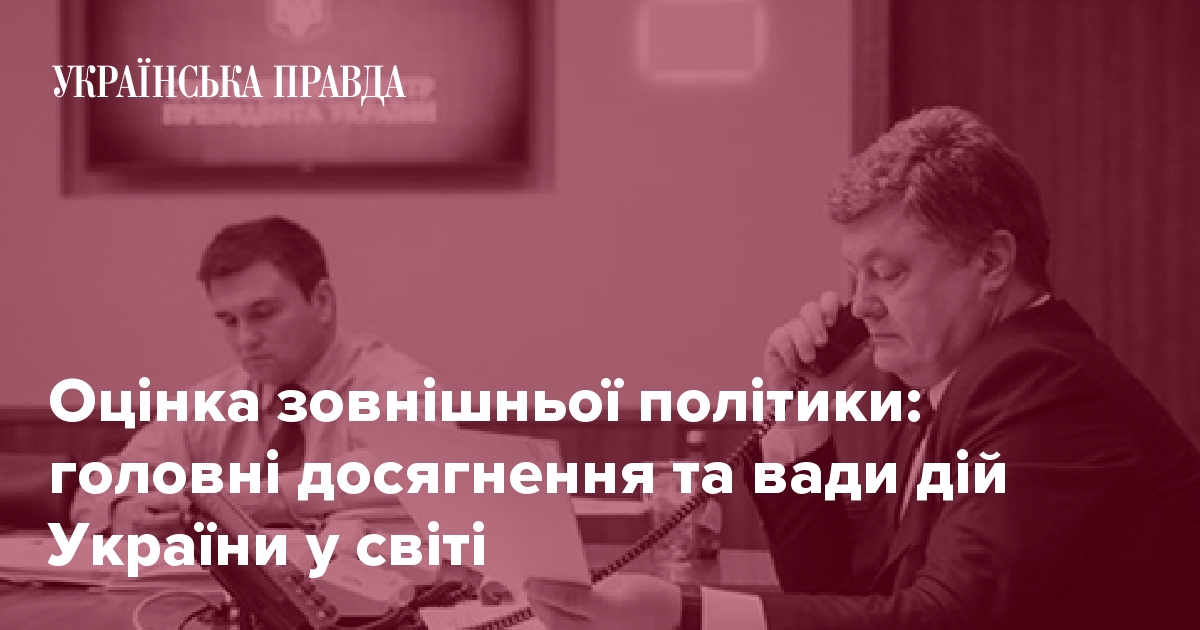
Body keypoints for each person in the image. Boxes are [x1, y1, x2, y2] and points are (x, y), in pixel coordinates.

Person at [525, 107, 1200, 629]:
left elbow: (945, 620)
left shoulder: (1042, 381)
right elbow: (844, 592)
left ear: (992, 262)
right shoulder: (947, 388)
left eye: (889, 273)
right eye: (854, 276)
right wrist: (799, 424)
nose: (860, 306)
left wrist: (685, 614)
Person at [71, 216, 434, 538]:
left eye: (263, 314)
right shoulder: (213, 403)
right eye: (229, 321)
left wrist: (245, 500)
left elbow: (411, 472)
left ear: (322, 302)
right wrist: (123, 513)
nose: (245, 339)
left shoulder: (395, 383)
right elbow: (96, 489)